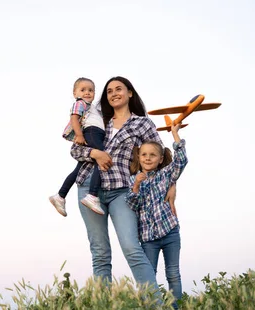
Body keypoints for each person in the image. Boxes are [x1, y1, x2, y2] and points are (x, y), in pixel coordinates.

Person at [70, 76, 176, 294]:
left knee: (131, 247)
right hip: (89, 187)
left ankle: (154, 303)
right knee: (100, 252)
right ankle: (103, 304)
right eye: (109, 91)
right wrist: (96, 153)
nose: (114, 93)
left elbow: (161, 154)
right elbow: (75, 150)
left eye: (119, 89)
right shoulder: (96, 119)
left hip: (122, 190)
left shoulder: (142, 123)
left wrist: (171, 184)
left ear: (129, 93)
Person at [126, 123, 187, 308]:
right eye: (144, 154)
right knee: (149, 273)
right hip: (148, 238)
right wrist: (136, 185)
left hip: (169, 233)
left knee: (173, 273)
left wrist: (175, 135)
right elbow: (132, 205)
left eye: (152, 155)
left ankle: (176, 307)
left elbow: (181, 161)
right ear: (139, 157)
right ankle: (151, 306)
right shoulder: (132, 179)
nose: (147, 158)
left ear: (160, 159)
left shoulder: (165, 175)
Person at [49, 77, 105, 216]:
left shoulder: (93, 108)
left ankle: (60, 196)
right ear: (75, 93)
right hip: (91, 132)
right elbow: (74, 118)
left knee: (79, 169)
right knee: (102, 158)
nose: (87, 92)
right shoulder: (80, 103)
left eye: (91, 90)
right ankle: (92, 195)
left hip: (95, 133)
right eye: (83, 90)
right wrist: (79, 135)